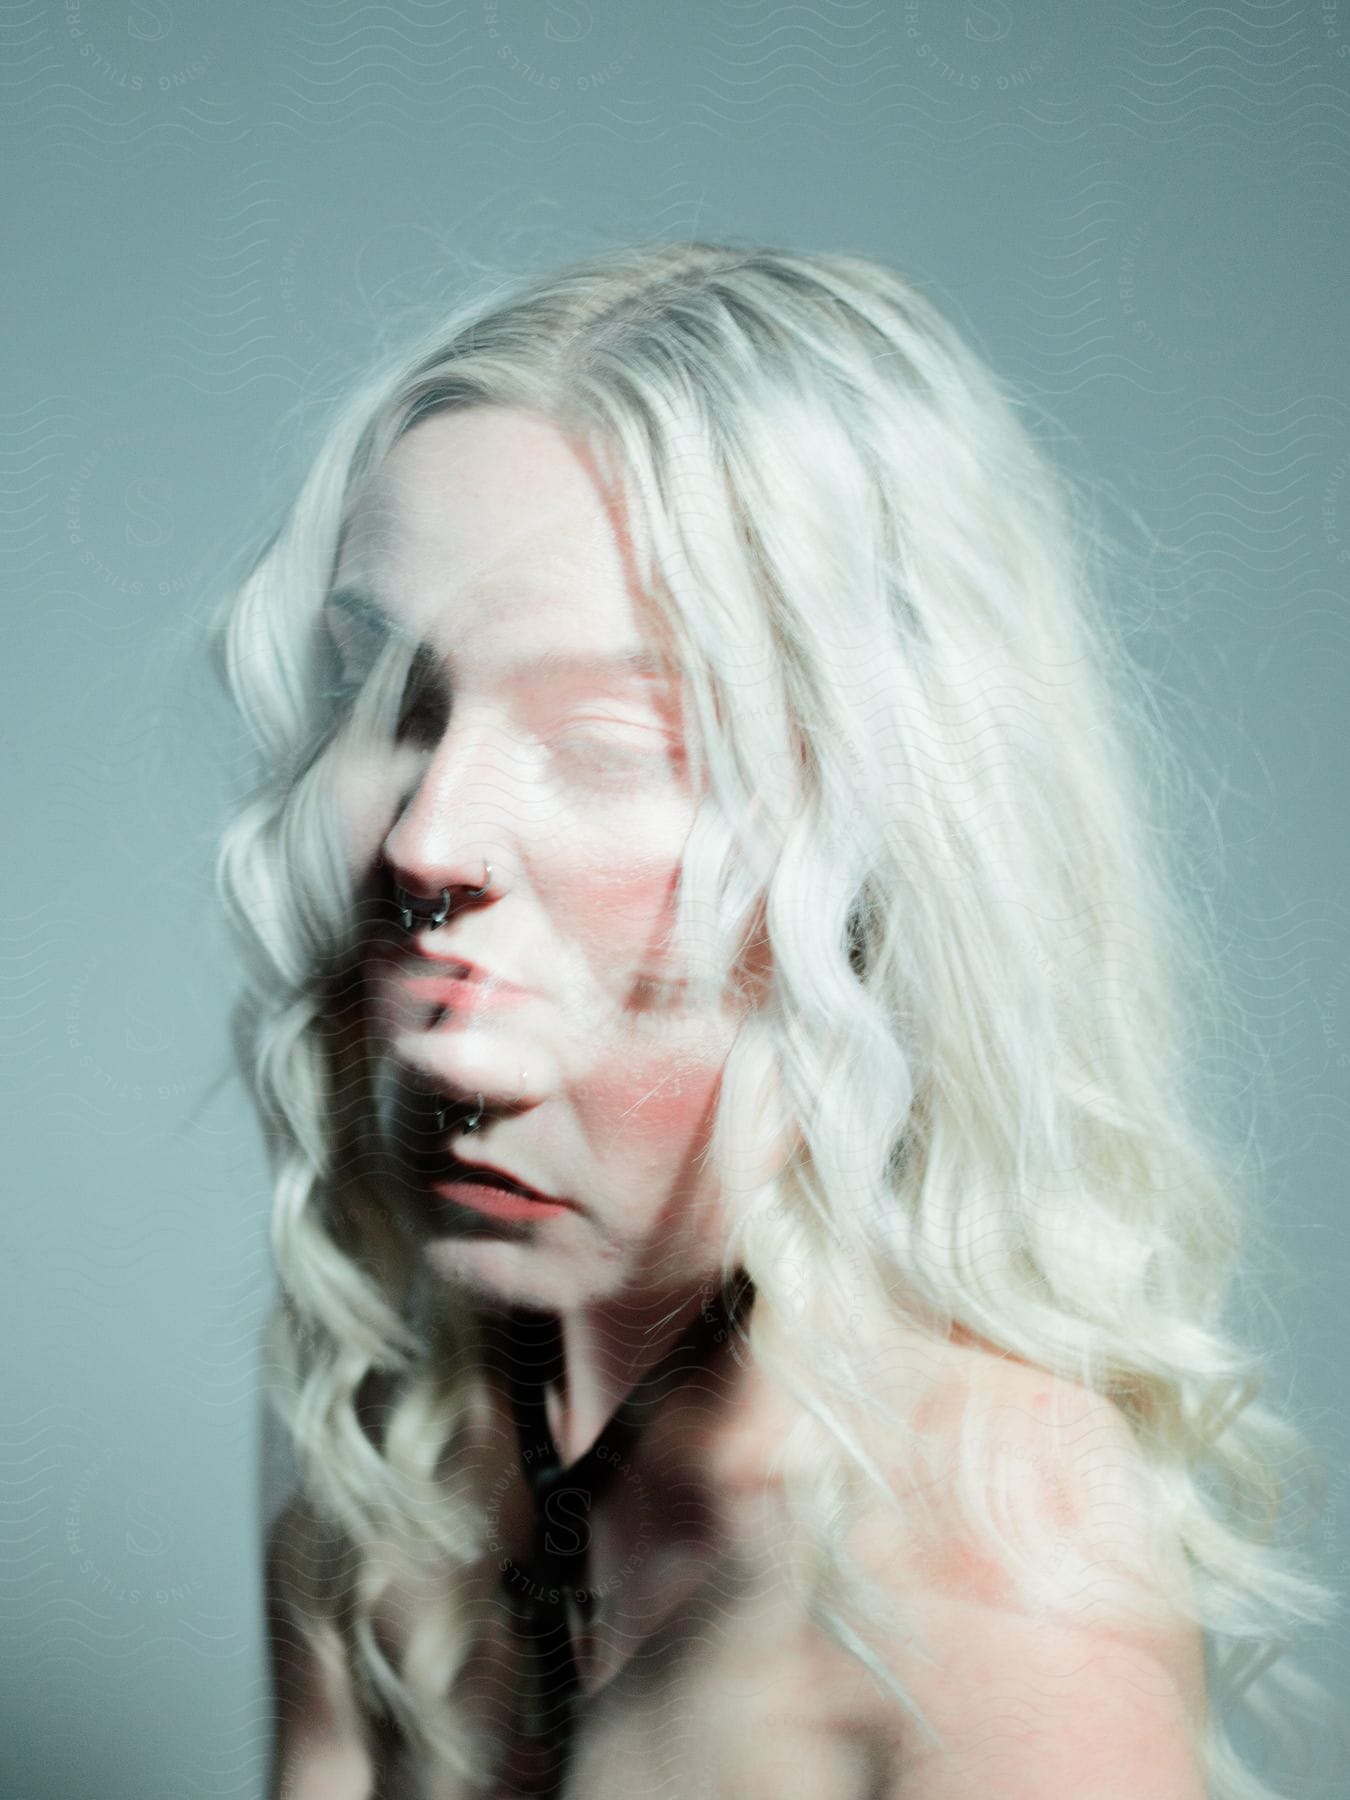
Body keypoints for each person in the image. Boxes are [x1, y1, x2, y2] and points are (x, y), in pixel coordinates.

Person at [212, 240, 1335, 1799]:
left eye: (603, 739)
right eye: (386, 696)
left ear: (884, 840)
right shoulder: (388, 1474)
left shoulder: (993, 1567)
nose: (423, 838)